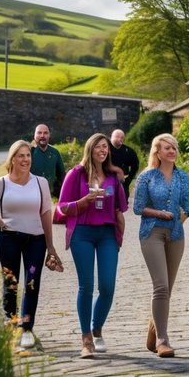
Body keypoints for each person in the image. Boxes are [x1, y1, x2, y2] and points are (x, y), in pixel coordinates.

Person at [57, 133, 128, 358]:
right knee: (86, 286)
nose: (102, 150)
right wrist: (82, 202)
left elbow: (119, 208)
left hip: (106, 233)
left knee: (107, 286)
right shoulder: (75, 174)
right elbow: (61, 206)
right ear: (90, 149)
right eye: (98, 146)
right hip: (82, 233)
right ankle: (86, 338)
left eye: (105, 147)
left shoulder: (112, 177)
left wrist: (120, 231)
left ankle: (97, 328)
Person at [0, 140, 60, 350]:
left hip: (35, 241)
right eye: (21, 156)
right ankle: (10, 325)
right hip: (9, 240)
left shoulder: (40, 183)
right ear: (13, 159)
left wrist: (50, 245)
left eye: (28, 155)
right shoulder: (1, 183)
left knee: (31, 284)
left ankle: (27, 328)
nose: (25, 159)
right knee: (11, 284)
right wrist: (2, 224)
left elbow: (46, 213)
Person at [132, 133, 189, 358]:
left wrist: (182, 215)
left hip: (176, 235)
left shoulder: (183, 177)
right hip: (151, 233)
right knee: (161, 287)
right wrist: (160, 214)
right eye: (166, 148)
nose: (171, 151)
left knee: (168, 289)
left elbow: (188, 205)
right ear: (157, 152)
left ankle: (153, 328)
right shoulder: (146, 177)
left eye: (173, 147)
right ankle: (162, 340)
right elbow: (138, 208)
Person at [30, 123, 67, 197]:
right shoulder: (29, 152)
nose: (42, 136)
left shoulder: (55, 153)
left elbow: (62, 176)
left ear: (49, 135)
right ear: (34, 135)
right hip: (30, 194)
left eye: (45, 133)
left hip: (48, 195)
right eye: (39, 133)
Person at [110, 129, 139, 197]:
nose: (120, 139)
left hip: (123, 183)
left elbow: (135, 165)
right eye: (117, 136)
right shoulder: (105, 150)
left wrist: (129, 179)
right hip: (107, 182)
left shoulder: (129, 151)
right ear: (111, 137)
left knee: (123, 203)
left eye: (122, 137)